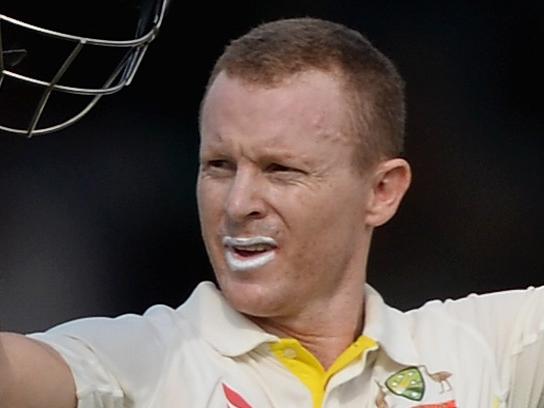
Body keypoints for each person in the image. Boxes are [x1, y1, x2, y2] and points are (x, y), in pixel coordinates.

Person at [1, 16, 543, 408]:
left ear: (382, 191)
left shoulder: (484, 350)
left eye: (281, 170)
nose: (238, 204)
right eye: (218, 165)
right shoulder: (140, 361)